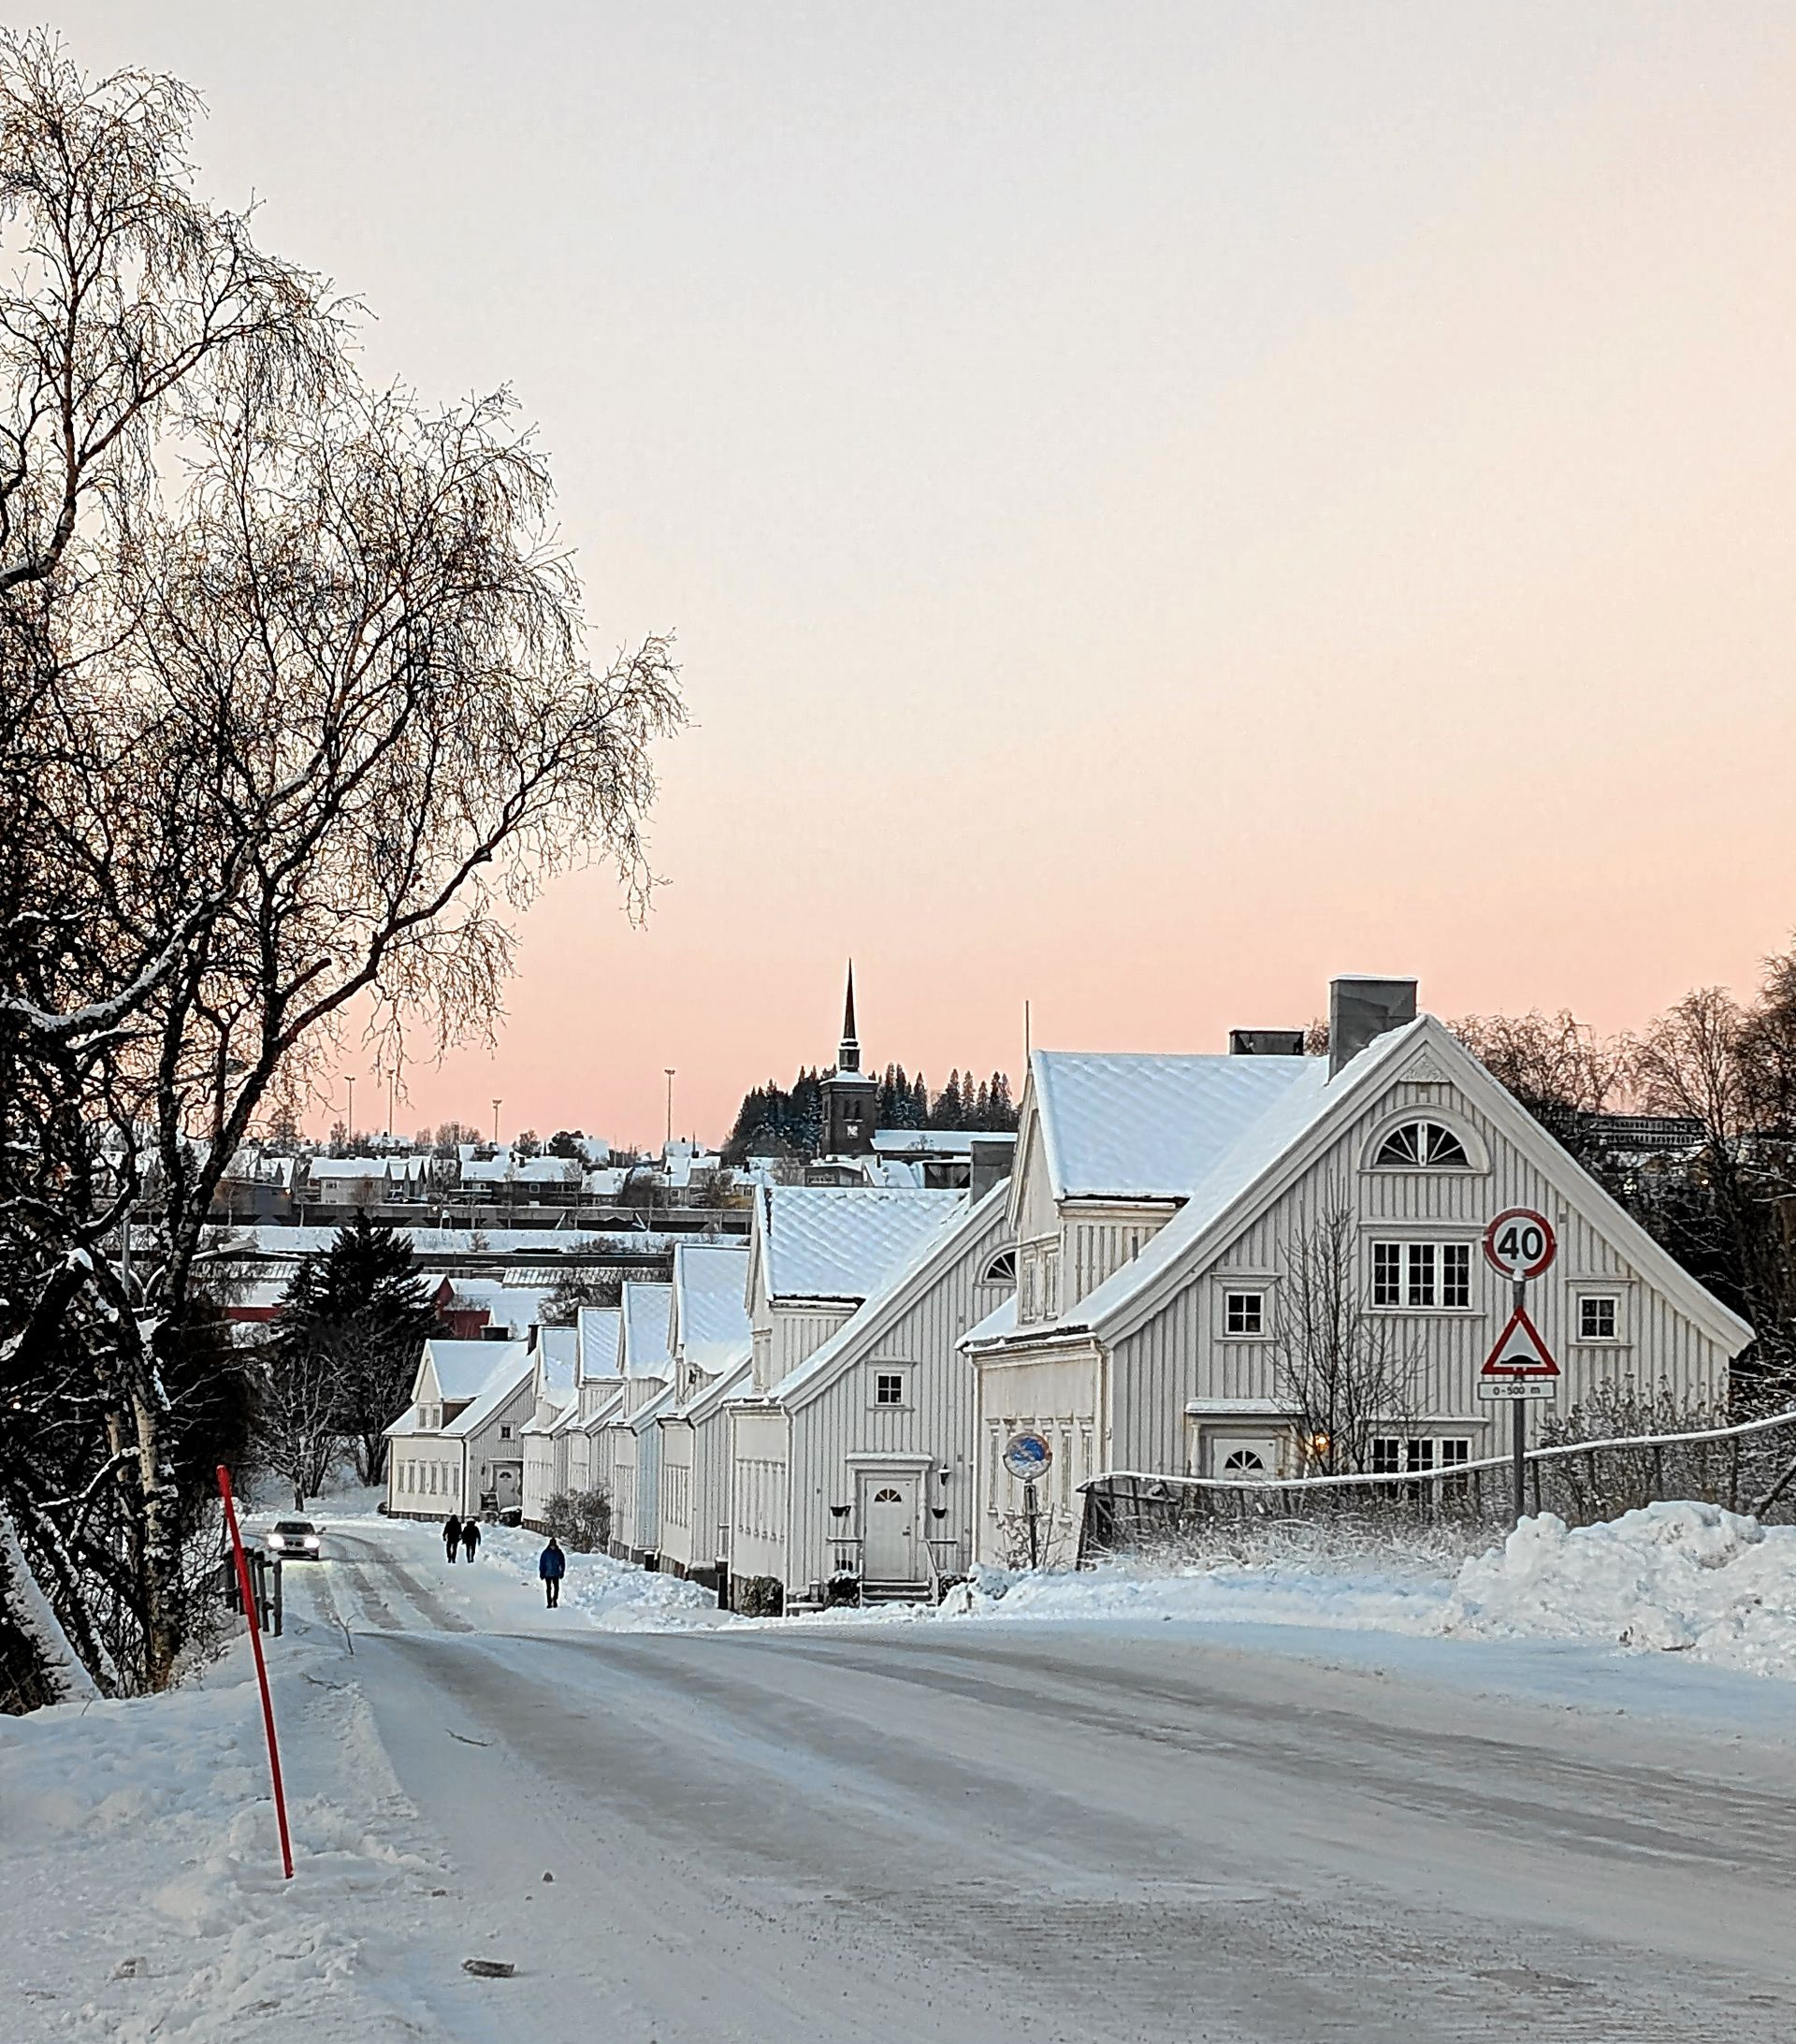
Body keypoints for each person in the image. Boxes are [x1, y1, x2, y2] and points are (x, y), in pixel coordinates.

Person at [538, 1535, 565, 1608]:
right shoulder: (545, 1553)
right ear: (550, 1545)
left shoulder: (559, 1552)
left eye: (554, 1545)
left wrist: (562, 1572)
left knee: (556, 1588)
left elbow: (562, 1563)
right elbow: (542, 1563)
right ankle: (549, 1602)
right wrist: (542, 1573)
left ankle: (555, 1600)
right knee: (548, 1588)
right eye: (552, 1545)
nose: (553, 1547)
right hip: (548, 1574)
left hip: (556, 1573)